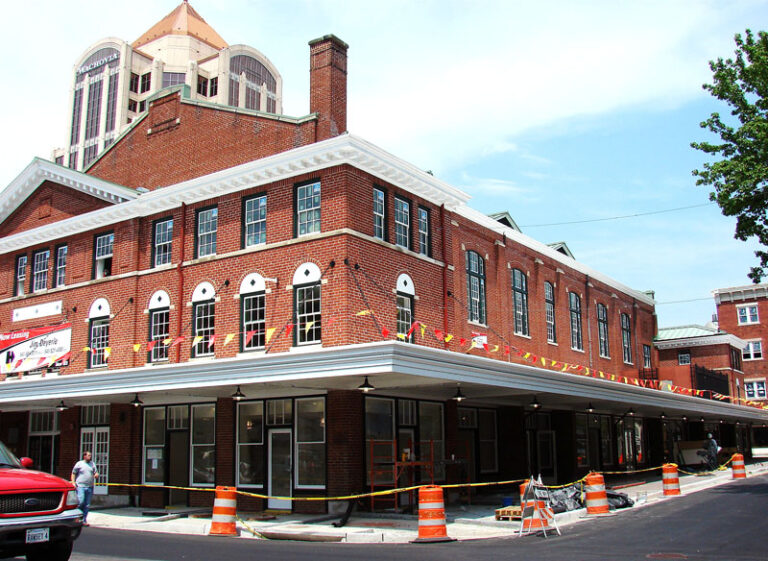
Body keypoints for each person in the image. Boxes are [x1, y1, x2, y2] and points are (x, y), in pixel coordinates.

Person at [71, 451, 98, 526]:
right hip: (80, 486)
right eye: (89, 455)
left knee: (87, 505)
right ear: (84, 456)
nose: (90, 457)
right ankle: (77, 517)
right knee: (81, 502)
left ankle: (84, 520)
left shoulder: (92, 464)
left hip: (89, 487)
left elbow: (96, 472)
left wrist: (96, 474)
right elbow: (73, 473)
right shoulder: (79, 464)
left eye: (90, 455)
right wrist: (73, 482)